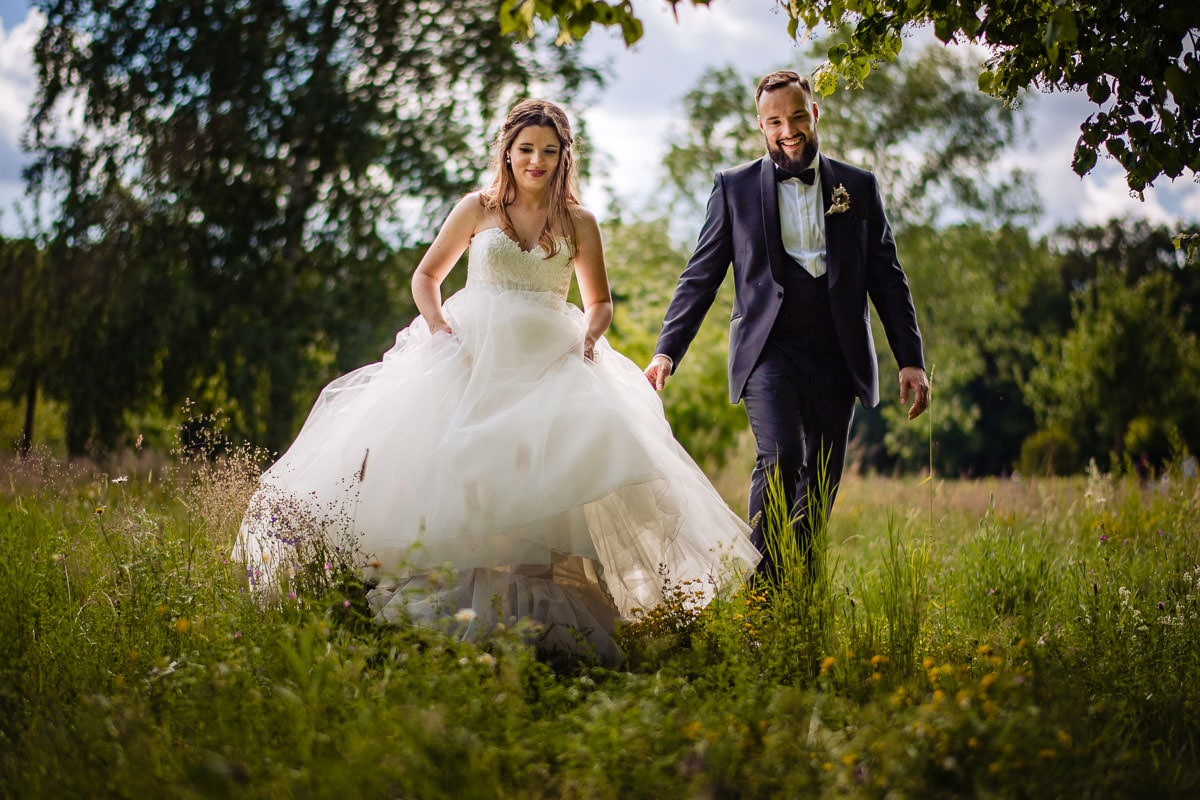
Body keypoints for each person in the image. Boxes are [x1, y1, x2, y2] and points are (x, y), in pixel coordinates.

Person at [235, 99, 759, 661]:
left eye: (549, 152)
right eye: (526, 149)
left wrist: (588, 337)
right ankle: (456, 610)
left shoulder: (580, 221)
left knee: (551, 478)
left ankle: (541, 628)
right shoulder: (477, 209)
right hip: (473, 356)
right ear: (507, 152)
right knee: (467, 478)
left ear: (564, 158)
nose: (537, 161)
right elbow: (426, 276)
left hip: (550, 360)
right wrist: (439, 331)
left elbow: (600, 301)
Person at [644, 71, 930, 580]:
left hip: (839, 352)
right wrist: (667, 350)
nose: (788, 129)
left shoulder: (857, 187)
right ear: (761, 126)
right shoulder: (733, 188)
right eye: (775, 121)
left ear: (814, 114)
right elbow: (701, 275)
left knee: (819, 482)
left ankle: (799, 600)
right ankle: (762, 599)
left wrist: (911, 359)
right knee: (780, 458)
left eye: (798, 116)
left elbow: (887, 277)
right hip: (768, 352)